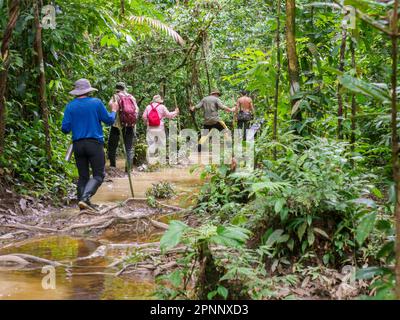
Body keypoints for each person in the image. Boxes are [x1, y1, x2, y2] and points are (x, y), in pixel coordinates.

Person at [62, 79, 118, 211]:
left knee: (83, 176)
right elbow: (109, 120)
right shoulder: (96, 103)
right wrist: (114, 110)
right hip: (94, 144)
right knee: (99, 175)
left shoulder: (70, 106)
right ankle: (85, 198)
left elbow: (65, 129)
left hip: (78, 145)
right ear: (88, 91)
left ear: (76, 92)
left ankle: (83, 205)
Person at [107, 82, 139, 171]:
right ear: (124, 88)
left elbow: (111, 105)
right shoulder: (131, 97)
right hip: (130, 125)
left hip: (117, 125)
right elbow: (136, 110)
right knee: (128, 148)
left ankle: (113, 166)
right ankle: (128, 169)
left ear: (116, 89)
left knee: (112, 146)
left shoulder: (115, 96)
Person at [142, 95, 179, 164]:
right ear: (159, 101)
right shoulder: (162, 107)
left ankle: (150, 161)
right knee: (161, 144)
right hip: (160, 128)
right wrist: (176, 112)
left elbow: (144, 116)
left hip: (150, 128)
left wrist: (147, 122)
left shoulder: (148, 107)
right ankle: (162, 161)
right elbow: (169, 115)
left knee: (151, 144)